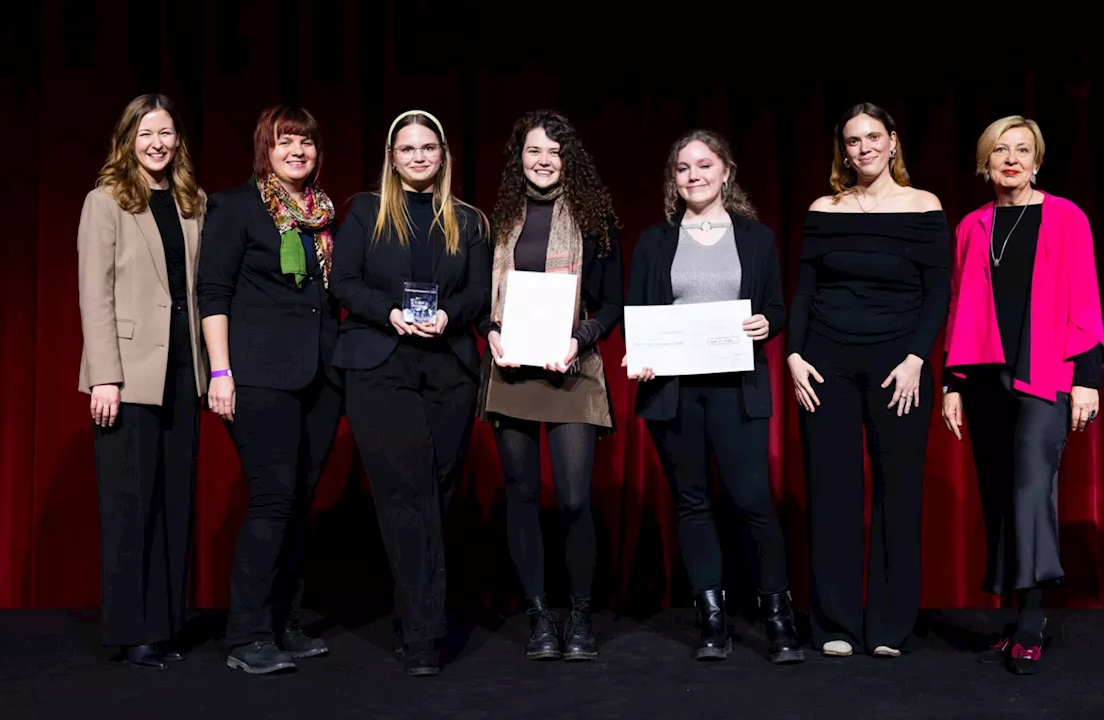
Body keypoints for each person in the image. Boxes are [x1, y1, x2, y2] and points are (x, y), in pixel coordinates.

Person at [623, 129, 803, 665]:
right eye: (683, 168)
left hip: (735, 390)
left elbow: (777, 307)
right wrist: (643, 354)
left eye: (705, 165)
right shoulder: (656, 240)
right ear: (673, 179)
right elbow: (641, 315)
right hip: (675, 392)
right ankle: (712, 619)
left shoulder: (756, 236)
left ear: (727, 171)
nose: (694, 175)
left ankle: (777, 617)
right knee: (693, 503)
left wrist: (764, 322)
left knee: (752, 501)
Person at [941, 115, 1104, 676]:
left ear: (1037, 161)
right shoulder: (971, 226)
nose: (1011, 159)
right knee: (998, 494)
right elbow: (961, 304)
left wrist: (1088, 376)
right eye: (1000, 150)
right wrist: (952, 383)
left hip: (1047, 373)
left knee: (1031, 489)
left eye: (1022, 150)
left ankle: (1033, 620)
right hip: (985, 375)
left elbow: (1085, 296)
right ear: (985, 162)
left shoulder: (1066, 217)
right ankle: (1016, 616)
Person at [329, 110, 489, 677]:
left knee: (436, 496)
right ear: (392, 159)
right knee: (405, 493)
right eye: (407, 149)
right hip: (379, 364)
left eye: (428, 148)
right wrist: (389, 312)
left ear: (442, 154)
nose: (418, 157)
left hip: (449, 369)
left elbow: (480, 292)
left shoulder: (469, 221)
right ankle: (426, 634)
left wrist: (449, 315)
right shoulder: (366, 213)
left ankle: (410, 614)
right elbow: (341, 280)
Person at [787, 102, 949, 659]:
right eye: (854, 141)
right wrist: (793, 354)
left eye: (874, 137)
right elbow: (805, 290)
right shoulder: (823, 209)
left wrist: (916, 358)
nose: (865, 148)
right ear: (844, 150)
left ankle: (888, 627)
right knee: (831, 492)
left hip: (898, 366)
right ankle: (834, 622)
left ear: (893, 141)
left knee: (897, 493)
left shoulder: (923, 206)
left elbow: (938, 294)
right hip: (825, 362)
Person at [197, 105, 342, 675]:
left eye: (306, 141)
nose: (297, 151)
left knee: (301, 503)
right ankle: (246, 634)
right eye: (286, 142)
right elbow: (213, 291)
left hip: (320, 378)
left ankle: (286, 622)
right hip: (257, 376)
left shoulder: (324, 216)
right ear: (266, 148)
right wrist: (220, 371)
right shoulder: (236, 207)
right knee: (273, 499)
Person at [478, 110, 622, 662]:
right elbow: (482, 298)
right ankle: (539, 615)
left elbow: (612, 303)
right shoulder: (500, 219)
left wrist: (580, 339)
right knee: (520, 492)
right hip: (511, 367)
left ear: (570, 159)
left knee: (575, 497)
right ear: (520, 157)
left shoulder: (595, 219)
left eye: (555, 152)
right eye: (534, 150)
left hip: (571, 367)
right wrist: (490, 331)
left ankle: (579, 614)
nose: (543, 161)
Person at [77, 93, 207, 670]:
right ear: (128, 138)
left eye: (168, 133)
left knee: (174, 499)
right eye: (147, 133)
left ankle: (167, 622)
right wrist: (105, 376)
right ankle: (134, 631)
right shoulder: (105, 202)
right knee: (130, 503)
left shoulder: (191, 202)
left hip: (185, 370)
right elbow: (94, 295)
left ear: (178, 140)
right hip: (128, 377)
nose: (158, 143)